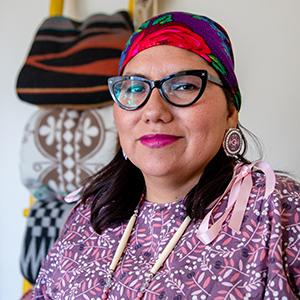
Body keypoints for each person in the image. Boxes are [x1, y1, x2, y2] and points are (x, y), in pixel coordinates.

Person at [33, 11, 300, 299]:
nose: (154, 112)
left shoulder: (279, 211)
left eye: (184, 86)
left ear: (230, 111)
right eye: (135, 88)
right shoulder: (90, 214)